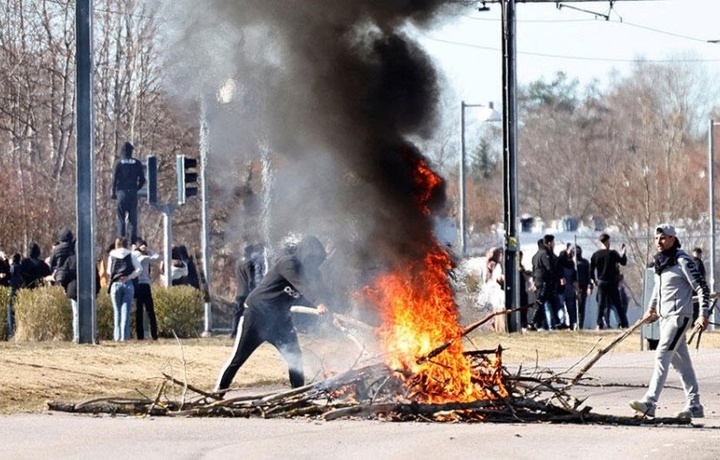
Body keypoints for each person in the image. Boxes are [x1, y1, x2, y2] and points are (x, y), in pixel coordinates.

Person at [214, 235, 331, 393]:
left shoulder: (314, 275)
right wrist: (318, 303)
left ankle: (297, 395)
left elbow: (323, 293)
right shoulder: (288, 263)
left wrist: (332, 313)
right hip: (256, 315)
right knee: (238, 358)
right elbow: (301, 285)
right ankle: (219, 392)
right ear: (304, 254)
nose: (314, 263)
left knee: (294, 357)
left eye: (318, 260)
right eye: (312, 259)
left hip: (280, 321)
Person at [630, 223, 709, 419]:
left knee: (662, 354)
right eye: (657, 238)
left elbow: (702, 287)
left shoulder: (683, 260)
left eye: (663, 238)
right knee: (681, 363)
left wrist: (703, 314)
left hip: (679, 316)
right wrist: (651, 309)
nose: (659, 241)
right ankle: (695, 405)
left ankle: (650, 402)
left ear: (673, 239)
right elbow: (658, 290)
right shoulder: (660, 262)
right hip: (665, 318)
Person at [57, 249, 101, 343]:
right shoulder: (90, 260)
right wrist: (97, 290)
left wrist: (65, 288)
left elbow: (63, 276)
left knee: (76, 314)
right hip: (89, 289)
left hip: (74, 290)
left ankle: (77, 337)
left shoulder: (70, 260)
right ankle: (92, 335)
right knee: (90, 314)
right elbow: (96, 276)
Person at [107, 237, 142, 341]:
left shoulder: (112, 255)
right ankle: (124, 337)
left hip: (115, 284)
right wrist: (129, 276)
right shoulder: (130, 254)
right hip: (127, 283)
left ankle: (116, 336)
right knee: (125, 312)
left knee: (116, 311)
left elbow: (109, 271)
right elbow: (139, 269)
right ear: (127, 244)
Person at [590, 233, 628, 329]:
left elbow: (591, 270)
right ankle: (623, 323)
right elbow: (623, 262)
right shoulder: (612, 253)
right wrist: (623, 253)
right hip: (611, 282)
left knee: (601, 304)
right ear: (607, 242)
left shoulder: (595, 255)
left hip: (601, 282)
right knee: (617, 303)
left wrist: (593, 280)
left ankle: (599, 324)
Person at [111, 141, 145, 244]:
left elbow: (114, 180)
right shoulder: (137, 163)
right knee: (133, 220)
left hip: (121, 193)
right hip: (132, 194)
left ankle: (121, 241)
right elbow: (143, 180)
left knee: (121, 219)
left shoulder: (118, 163)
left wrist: (114, 193)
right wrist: (136, 189)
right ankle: (132, 242)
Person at [231, 243, 266, 338]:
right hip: (247, 293)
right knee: (252, 312)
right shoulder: (249, 263)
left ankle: (234, 332)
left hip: (239, 292)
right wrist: (254, 291)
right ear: (249, 252)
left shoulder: (238, 263)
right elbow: (251, 279)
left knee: (238, 313)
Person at [529, 235, 562, 331]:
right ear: (549, 243)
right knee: (540, 302)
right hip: (544, 282)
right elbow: (549, 268)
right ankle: (531, 322)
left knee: (552, 302)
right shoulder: (545, 255)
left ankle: (557, 323)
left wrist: (534, 281)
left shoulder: (536, 255)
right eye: (553, 243)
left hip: (539, 281)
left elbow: (534, 270)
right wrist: (558, 277)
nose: (554, 245)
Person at [132, 238, 160, 340]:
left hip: (136, 285)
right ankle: (154, 334)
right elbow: (157, 257)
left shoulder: (132, 255)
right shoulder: (142, 257)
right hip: (143, 285)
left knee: (139, 311)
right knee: (150, 310)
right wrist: (149, 251)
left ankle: (140, 335)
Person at [477, 247, 506, 332]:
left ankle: (493, 328)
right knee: (498, 310)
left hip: (488, 292)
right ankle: (498, 328)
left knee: (491, 312)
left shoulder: (486, 264)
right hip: (495, 292)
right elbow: (498, 278)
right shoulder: (496, 265)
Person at [574, 246, 592, 330]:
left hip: (583, 288)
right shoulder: (572, 263)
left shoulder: (585, 263)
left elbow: (589, 276)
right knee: (574, 307)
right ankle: (574, 324)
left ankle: (580, 325)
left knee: (581, 307)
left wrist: (589, 286)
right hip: (573, 287)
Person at [7, 253, 23, 337]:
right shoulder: (21, 267)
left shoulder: (12, 267)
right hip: (19, 290)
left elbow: (9, 276)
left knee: (10, 311)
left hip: (12, 290)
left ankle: (11, 333)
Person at [691, 247, 706, 323]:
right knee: (696, 307)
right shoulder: (699, 263)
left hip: (690, 289)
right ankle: (694, 323)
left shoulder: (689, 263)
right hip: (697, 289)